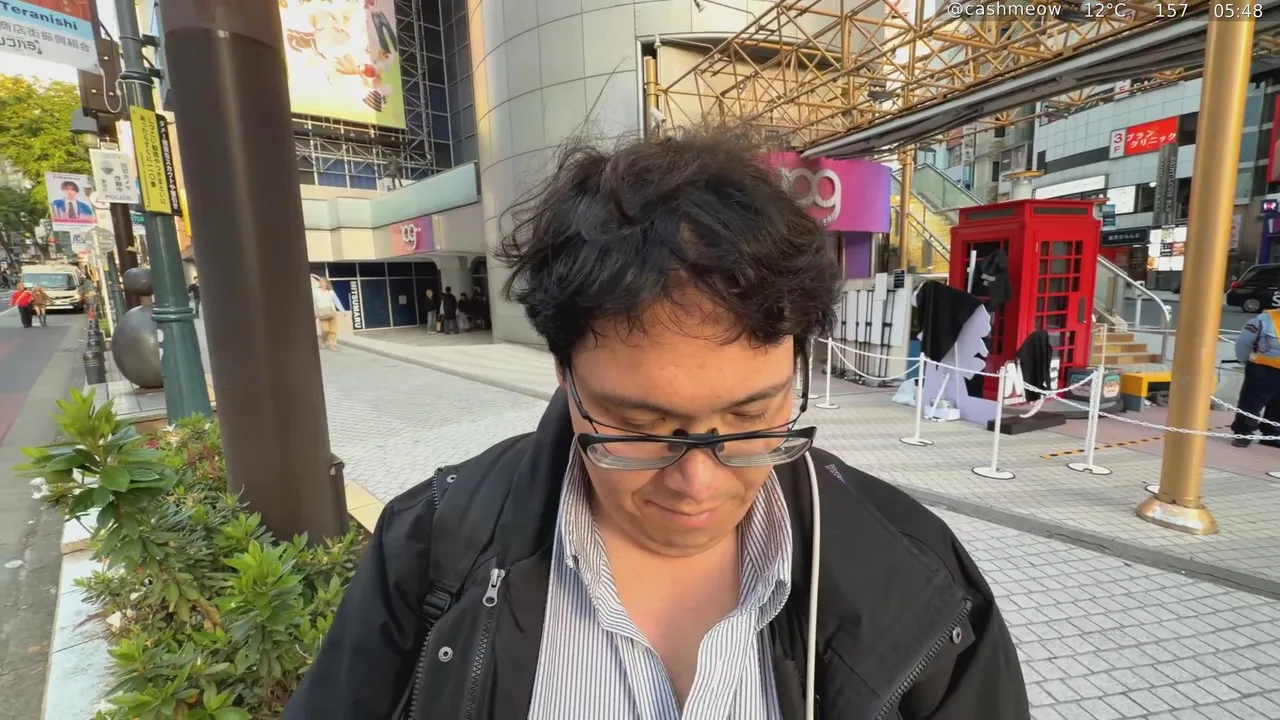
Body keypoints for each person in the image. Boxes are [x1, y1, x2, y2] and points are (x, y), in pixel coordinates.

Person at [284, 129, 1028, 720]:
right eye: (640, 426)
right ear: (564, 374)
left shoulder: (920, 583)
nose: (698, 482)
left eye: (751, 417)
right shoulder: (432, 546)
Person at [1230, 306, 1280, 447]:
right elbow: (1243, 343)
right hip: (1262, 370)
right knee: (1251, 404)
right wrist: (1244, 360)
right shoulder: (1262, 320)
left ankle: (1272, 435)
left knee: (1278, 406)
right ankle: (1243, 433)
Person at [313, 278, 346, 351]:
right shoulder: (316, 292)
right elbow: (314, 303)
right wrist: (315, 313)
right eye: (320, 281)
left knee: (333, 330)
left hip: (332, 313)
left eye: (322, 281)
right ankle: (324, 341)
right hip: (322, 313)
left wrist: (343, 311)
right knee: (325, 330)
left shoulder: (331, 292)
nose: (320, 282)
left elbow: (336, 301)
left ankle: (333, 345)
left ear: (326, 283)